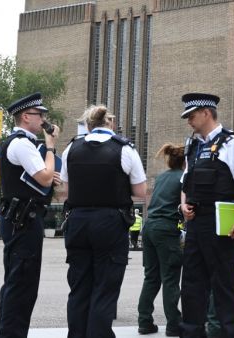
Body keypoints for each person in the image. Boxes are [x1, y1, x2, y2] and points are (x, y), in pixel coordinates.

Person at [60, 105, 147, 338]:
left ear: (88, 124)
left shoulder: (71, 148)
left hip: (77, 221)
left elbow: (64, 192)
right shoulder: (124, 149)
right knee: (104, 289)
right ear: (110, 124)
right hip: (110, 221)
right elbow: (140, 191)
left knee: (79, 288)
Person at [179, 93, 234, 338]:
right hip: (195, 223)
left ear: (207, 113)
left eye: (192, 115)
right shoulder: (193, 145)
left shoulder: (231, 143)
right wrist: (183, 205)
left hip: (221, 225)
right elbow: (185, 183)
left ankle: (230, 333)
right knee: (191, 284)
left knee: (225, 286)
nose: (189, 120)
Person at [0, 92, 61, 338]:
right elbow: (45, 177)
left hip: (20, 219)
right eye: (40, 115)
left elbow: (44, 176)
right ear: (26, 116)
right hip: (23, 220)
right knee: (22, 285)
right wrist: (51, 146)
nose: (44, 119)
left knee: (17, 281)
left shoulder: (22, 143)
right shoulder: (22, 143)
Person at [137, 143, 185, 336]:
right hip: (166, 229)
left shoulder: (162, 177)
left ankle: (145, 321)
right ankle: (174, 324)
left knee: (151, 277)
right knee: (171, 278)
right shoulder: (184, 177)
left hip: (149, 227)